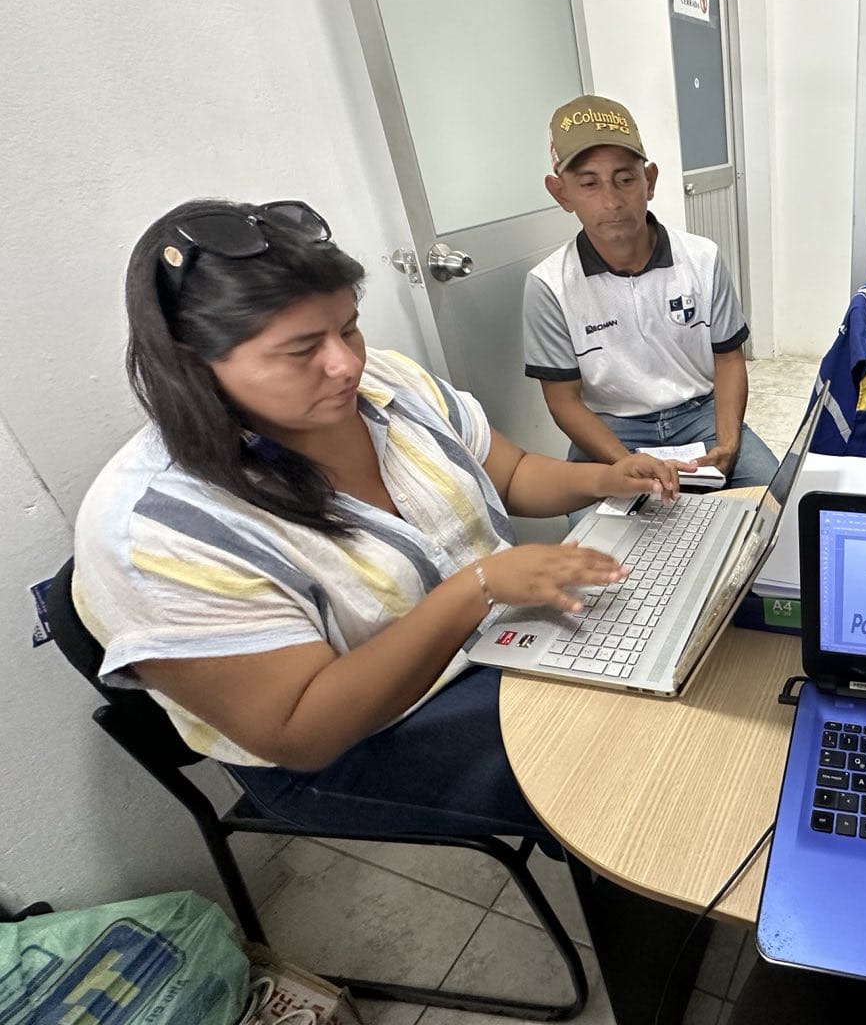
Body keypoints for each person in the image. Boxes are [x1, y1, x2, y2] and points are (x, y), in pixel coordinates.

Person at [71, 199, 708, 1022]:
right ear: (195, 364)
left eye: (349, 327)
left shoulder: (387, 384)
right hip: (352, 746)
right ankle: (665, 955)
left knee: (674, 657)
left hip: (489, 641)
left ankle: (669, 895)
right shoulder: (152, 532)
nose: (344, 365)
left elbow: (511, 472)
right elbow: (301, 731)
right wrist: (476, 590)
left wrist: (601, 477)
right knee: (624, 755)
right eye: (301, 349)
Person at [524, 95, 779, 490]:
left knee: (777, 496)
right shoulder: (549, 285)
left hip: (699, 414)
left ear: (651, 181)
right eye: (589, 184)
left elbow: (729, 359)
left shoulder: (702, 258)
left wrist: (727, 445)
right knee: (591, 524)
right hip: (611, 427)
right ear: (561, 193)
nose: (612, 201)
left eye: (625, 179)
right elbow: (563, 400)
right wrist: (624, 463)